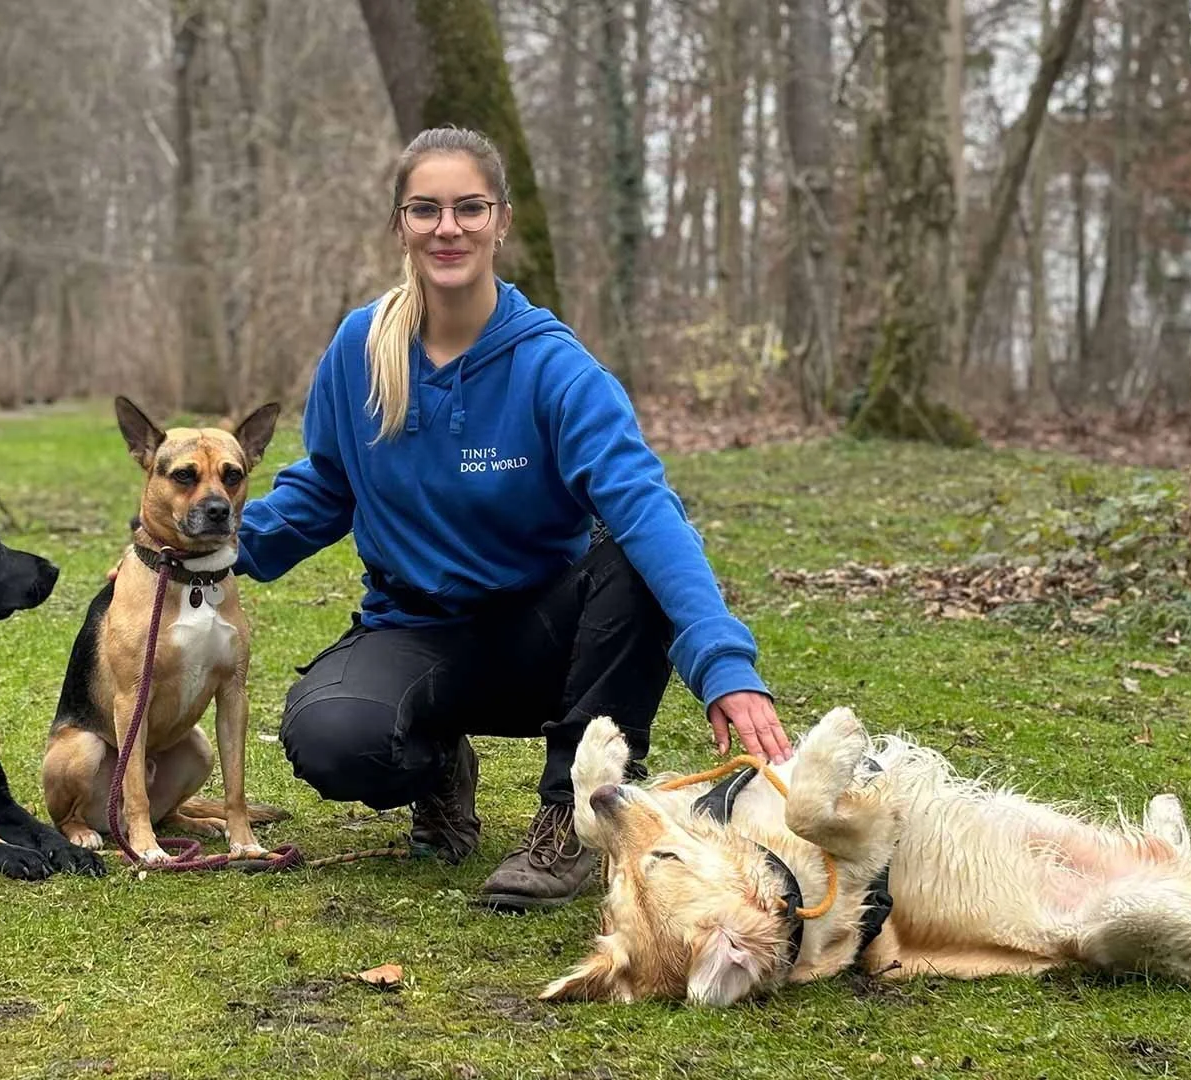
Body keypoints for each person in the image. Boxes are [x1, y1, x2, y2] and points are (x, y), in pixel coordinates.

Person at [233, 125, 790, 911]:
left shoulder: (554, 368)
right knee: (332, 740)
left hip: (547, 641)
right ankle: (437, 771)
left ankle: (575, 814)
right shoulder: (361, 348)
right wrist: (207, 548)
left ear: (501, 220)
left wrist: (724, 662)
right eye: (425, 210)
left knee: (632, 558)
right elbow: (326, 486)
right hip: (416, 629)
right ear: (400, 224)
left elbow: (646, 507)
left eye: (469, 208)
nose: (447, 227)